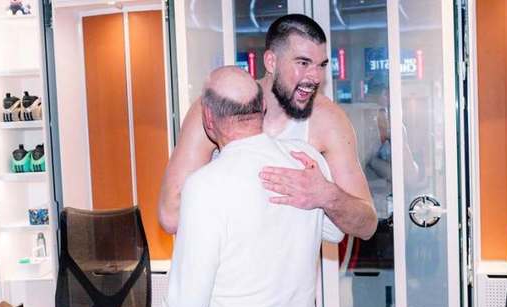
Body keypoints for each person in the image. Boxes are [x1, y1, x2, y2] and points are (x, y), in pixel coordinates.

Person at [112, 66, 343, 307]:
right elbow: (334, 229)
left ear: (208, 118)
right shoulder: (302, 158)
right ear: (261, 109)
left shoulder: (205, 186)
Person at [158, 14, 377, 241]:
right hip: (228, 261)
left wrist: (326, 195)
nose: (315, 77)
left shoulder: (329, 121)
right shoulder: (218, 108)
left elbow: (367, 225)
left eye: (321, 65)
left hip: (293, 263)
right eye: (303, 63)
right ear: (271, 62)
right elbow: (171, 215)